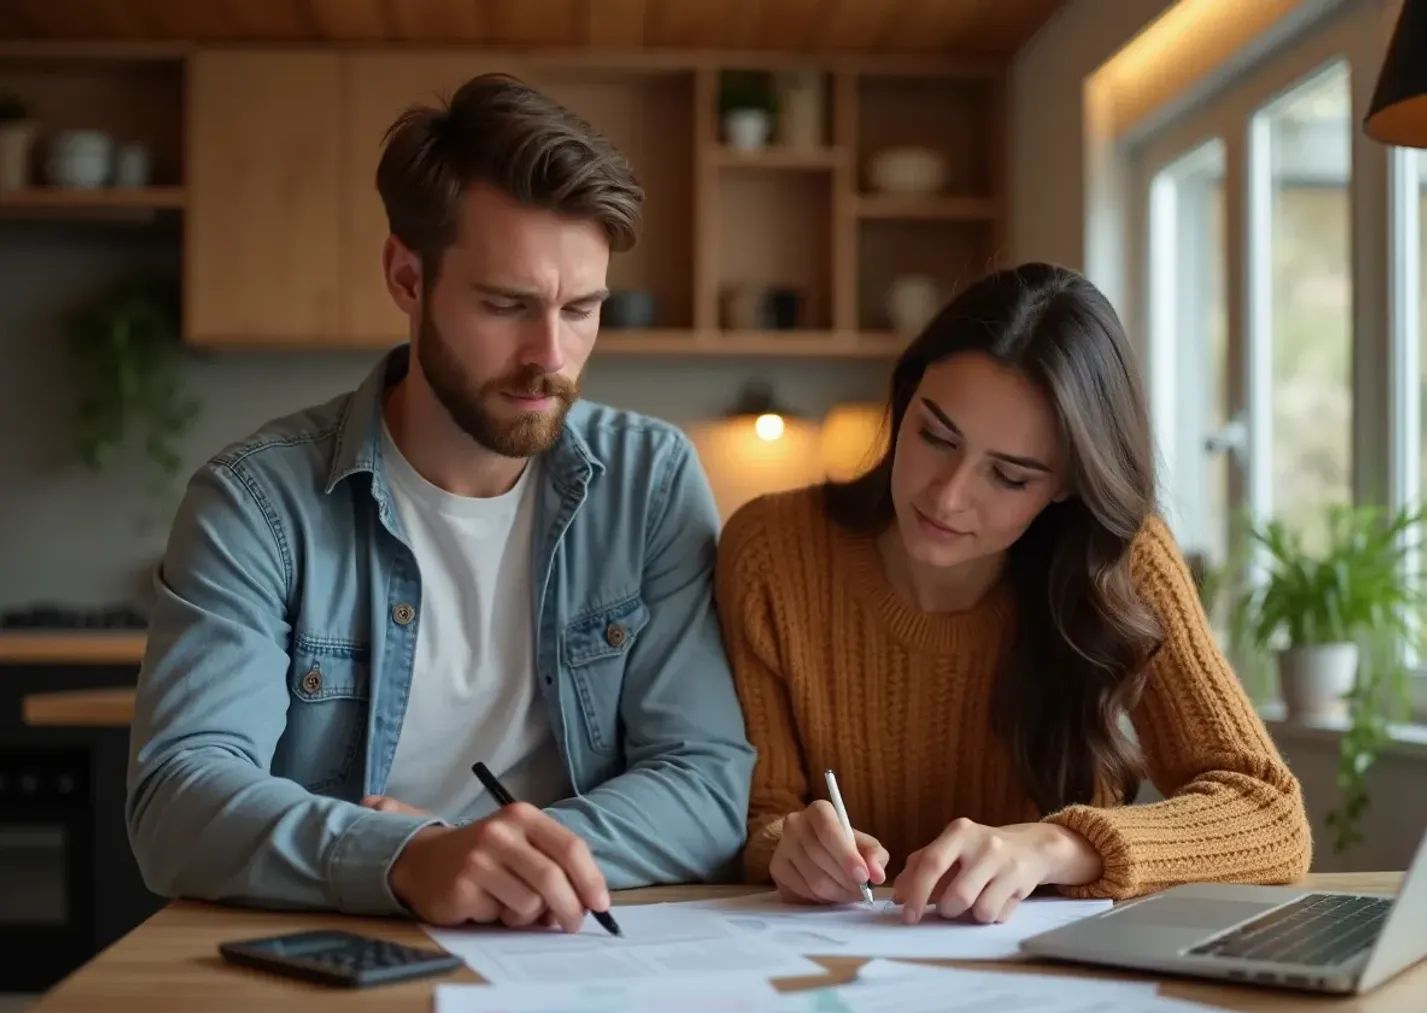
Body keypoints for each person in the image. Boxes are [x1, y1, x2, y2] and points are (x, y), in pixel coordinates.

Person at [127, 73, 753, 931]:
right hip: (336, 951)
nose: (551, 356)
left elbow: (706, 783)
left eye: (581, 309)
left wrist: (487, 860)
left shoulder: (648, 482)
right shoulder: (255, 503)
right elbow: (177, 800)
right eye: (507, 306)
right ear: (406, 277)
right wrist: (409, 861)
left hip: (573, 948)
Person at [716, 263, 1312, 925]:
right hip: (831, 963)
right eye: (934, 436)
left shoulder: (1120, 558)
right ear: (905, 397)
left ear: (1064, 483)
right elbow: (758, 813)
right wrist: (787, 847)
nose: (946, 495)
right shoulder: (772, 548)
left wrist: (1052, 847)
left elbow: (1269, 815)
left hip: (1046, 979)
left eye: (1008, 476)